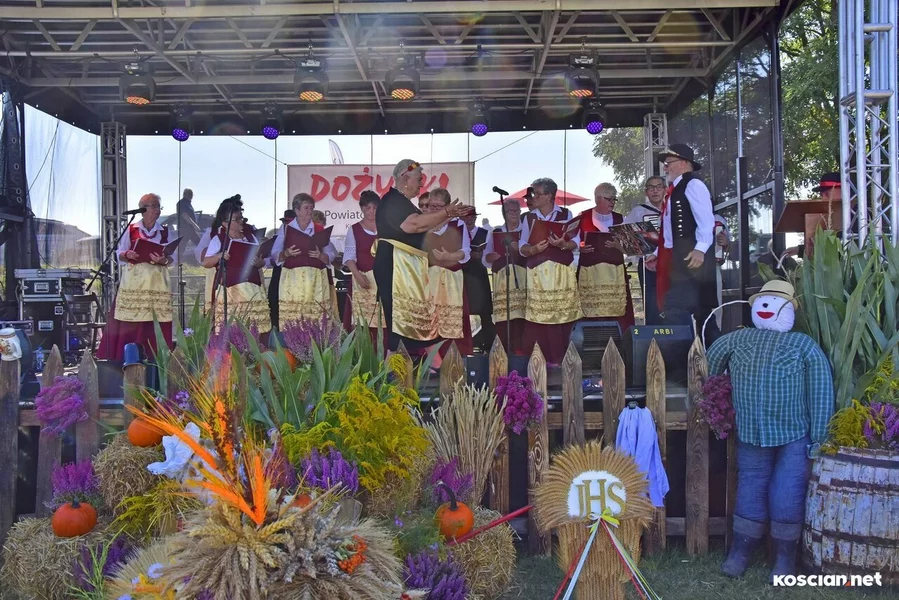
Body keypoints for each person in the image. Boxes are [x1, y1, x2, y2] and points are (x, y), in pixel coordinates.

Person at [373, 159, 473, 356]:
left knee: (413, 319)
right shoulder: (393, 201)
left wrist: (449, 215)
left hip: (405, 269)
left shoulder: (403, 203)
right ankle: (399, 367)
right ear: (405, 178)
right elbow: (414, 225)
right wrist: (446, 211)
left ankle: (424, 363)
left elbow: (427, 226)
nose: (421, 184)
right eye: (419, 179)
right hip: (396, 267)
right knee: (400, 321)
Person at [645, 144, 717, 336]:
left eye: (669, 163)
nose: (665, 167)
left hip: (693, 258)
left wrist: (700, 249)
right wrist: (657, 253)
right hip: (680, 259)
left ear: (684, 163)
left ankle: (690, 351)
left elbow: (706, 221)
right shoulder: (673, 191)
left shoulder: (693, 185)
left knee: (682, 309)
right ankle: (702, 351)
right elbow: (669, 232)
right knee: (695, 312)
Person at [96, 193, 175, 361]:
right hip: (135, 282)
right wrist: (127, 254)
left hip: (156, 283)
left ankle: (155, 358)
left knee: (154, 320)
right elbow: (119, 253)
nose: (157, 210)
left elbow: (173, 257)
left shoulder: (165, 231)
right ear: (143, 209)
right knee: (132, 320)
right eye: (154, 206)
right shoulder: (131, 229)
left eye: (159, 206)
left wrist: (164, 260)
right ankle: (127, 357)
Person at [518, 177, 581, 365]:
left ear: (549, 196)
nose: (534, 197)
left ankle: (562, 358)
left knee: (561, 315)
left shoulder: (566, 213)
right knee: (538, 317)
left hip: (560, 272)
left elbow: (576, 241)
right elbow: (522, 246)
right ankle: (539, 359)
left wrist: (563, 244)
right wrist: (533, 249)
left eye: (537, 194)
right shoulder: (528, 217)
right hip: (538, 272)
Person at [202, 203, 271, 335]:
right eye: (236, 219)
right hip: (231, 291)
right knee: (233, 329)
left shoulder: (251, 237)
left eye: (241, 217)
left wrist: (259, 262)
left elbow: (261, 260)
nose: (241, 221)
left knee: (256, 329)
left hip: (252, 289)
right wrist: (219, 256)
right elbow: (206, 263)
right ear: (225, 223)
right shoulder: (219, 239)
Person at [576, 183, 634, 333]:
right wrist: (580, 247)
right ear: (598, 199)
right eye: (609, 199)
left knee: (617, 311)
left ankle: (619, 341)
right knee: (590, 311)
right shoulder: (583, 217)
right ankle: (590, 339)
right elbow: (574, 242)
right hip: (589, 274)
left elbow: (630, 248)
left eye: (615, 199)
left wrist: (618, 246)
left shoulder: (620, 218)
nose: (613, 202)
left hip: (614, 274)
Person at [271, 193, 338, 323]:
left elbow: (331, 254)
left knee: (316, 316)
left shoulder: (319, 229)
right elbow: (275, 252)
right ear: (297, 210)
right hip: (292, 279)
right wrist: (286, 253)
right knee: (294, 316)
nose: (310, 211)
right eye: (306, 208)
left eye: (311, 208)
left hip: (315, 279)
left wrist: (321, 256)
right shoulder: (286, 228)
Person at [424, 189, 474, 356]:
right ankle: (431, 358)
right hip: (429, 279)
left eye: (438, 206)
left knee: (452, 319)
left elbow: (465, 251)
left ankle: (453, 356)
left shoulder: (458, 224)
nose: (434, 209)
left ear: (447, 206)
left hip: (451, 279)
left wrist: (449, 256)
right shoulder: (423, 223)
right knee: (429, 319)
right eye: (431, 206)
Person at [483, 198, 527, 355]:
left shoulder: (525, 231)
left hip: (522, 278)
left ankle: (520, 350)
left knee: (521, 315)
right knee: (504, 317)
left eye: (517, 211)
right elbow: (485, 258)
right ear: (504, 213)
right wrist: (490, 257)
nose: (514, 214)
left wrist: (521, 248)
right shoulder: (495, 232)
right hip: (502, 279)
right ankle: (503, 350)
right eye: (510, 211)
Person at [342, 191, 383, 339]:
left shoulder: (385, 228)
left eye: (374, 208)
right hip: (363, 280)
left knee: (383, 321)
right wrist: (358, 276)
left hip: (383, 281)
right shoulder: (354, 229)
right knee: (362, 321)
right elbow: (349, 258)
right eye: (368, 208)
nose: (371, 211)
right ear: (362, 208)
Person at [625, 176, 666, 324]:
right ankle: (654, 334)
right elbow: (625, 235)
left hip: (670, 263)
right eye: (651, 187)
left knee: (671, 302)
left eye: (658, 187)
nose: (655, 191)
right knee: (651, 303)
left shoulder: (672, 209)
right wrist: (639, 248)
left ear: (665, 190)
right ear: (646, 192)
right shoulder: (638, 211)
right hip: (647, 264)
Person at [460, 211, 494, 353]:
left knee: (484, 311)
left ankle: (489, 344)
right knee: (461, 311)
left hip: (479, 274)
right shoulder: (457, 232)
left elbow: (489, 253)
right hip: (463, 274)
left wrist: (481, 255)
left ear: (475, 218)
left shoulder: (485, 233)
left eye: (471, 217)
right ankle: (463, 345)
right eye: (465, 218)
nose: (469, 220)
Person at [267, 209, 294, 329]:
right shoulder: (282, 230)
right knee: (275, 299)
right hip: (280, 269)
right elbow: (275, 252)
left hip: (295, 272)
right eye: (285, 222)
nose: (287, 224)